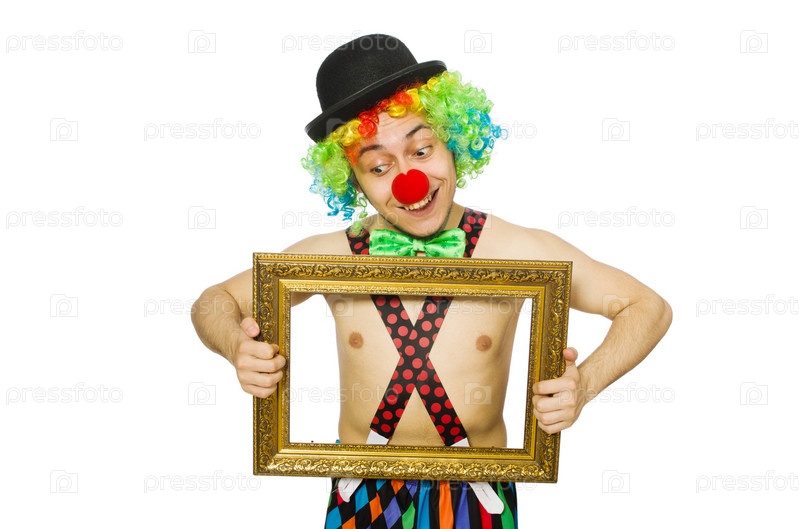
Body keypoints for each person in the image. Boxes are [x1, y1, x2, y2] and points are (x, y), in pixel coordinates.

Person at [191, 34, 672, 529]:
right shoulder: (330, 255)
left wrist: (583, 384)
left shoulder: (516, 248)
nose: (410, 182)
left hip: (478, 493)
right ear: (353, 180)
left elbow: (646, 307)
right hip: (363, 492)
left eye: (422, 149)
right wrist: (236, 346)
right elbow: (214, 301)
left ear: (453, 140)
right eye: (379, 166)